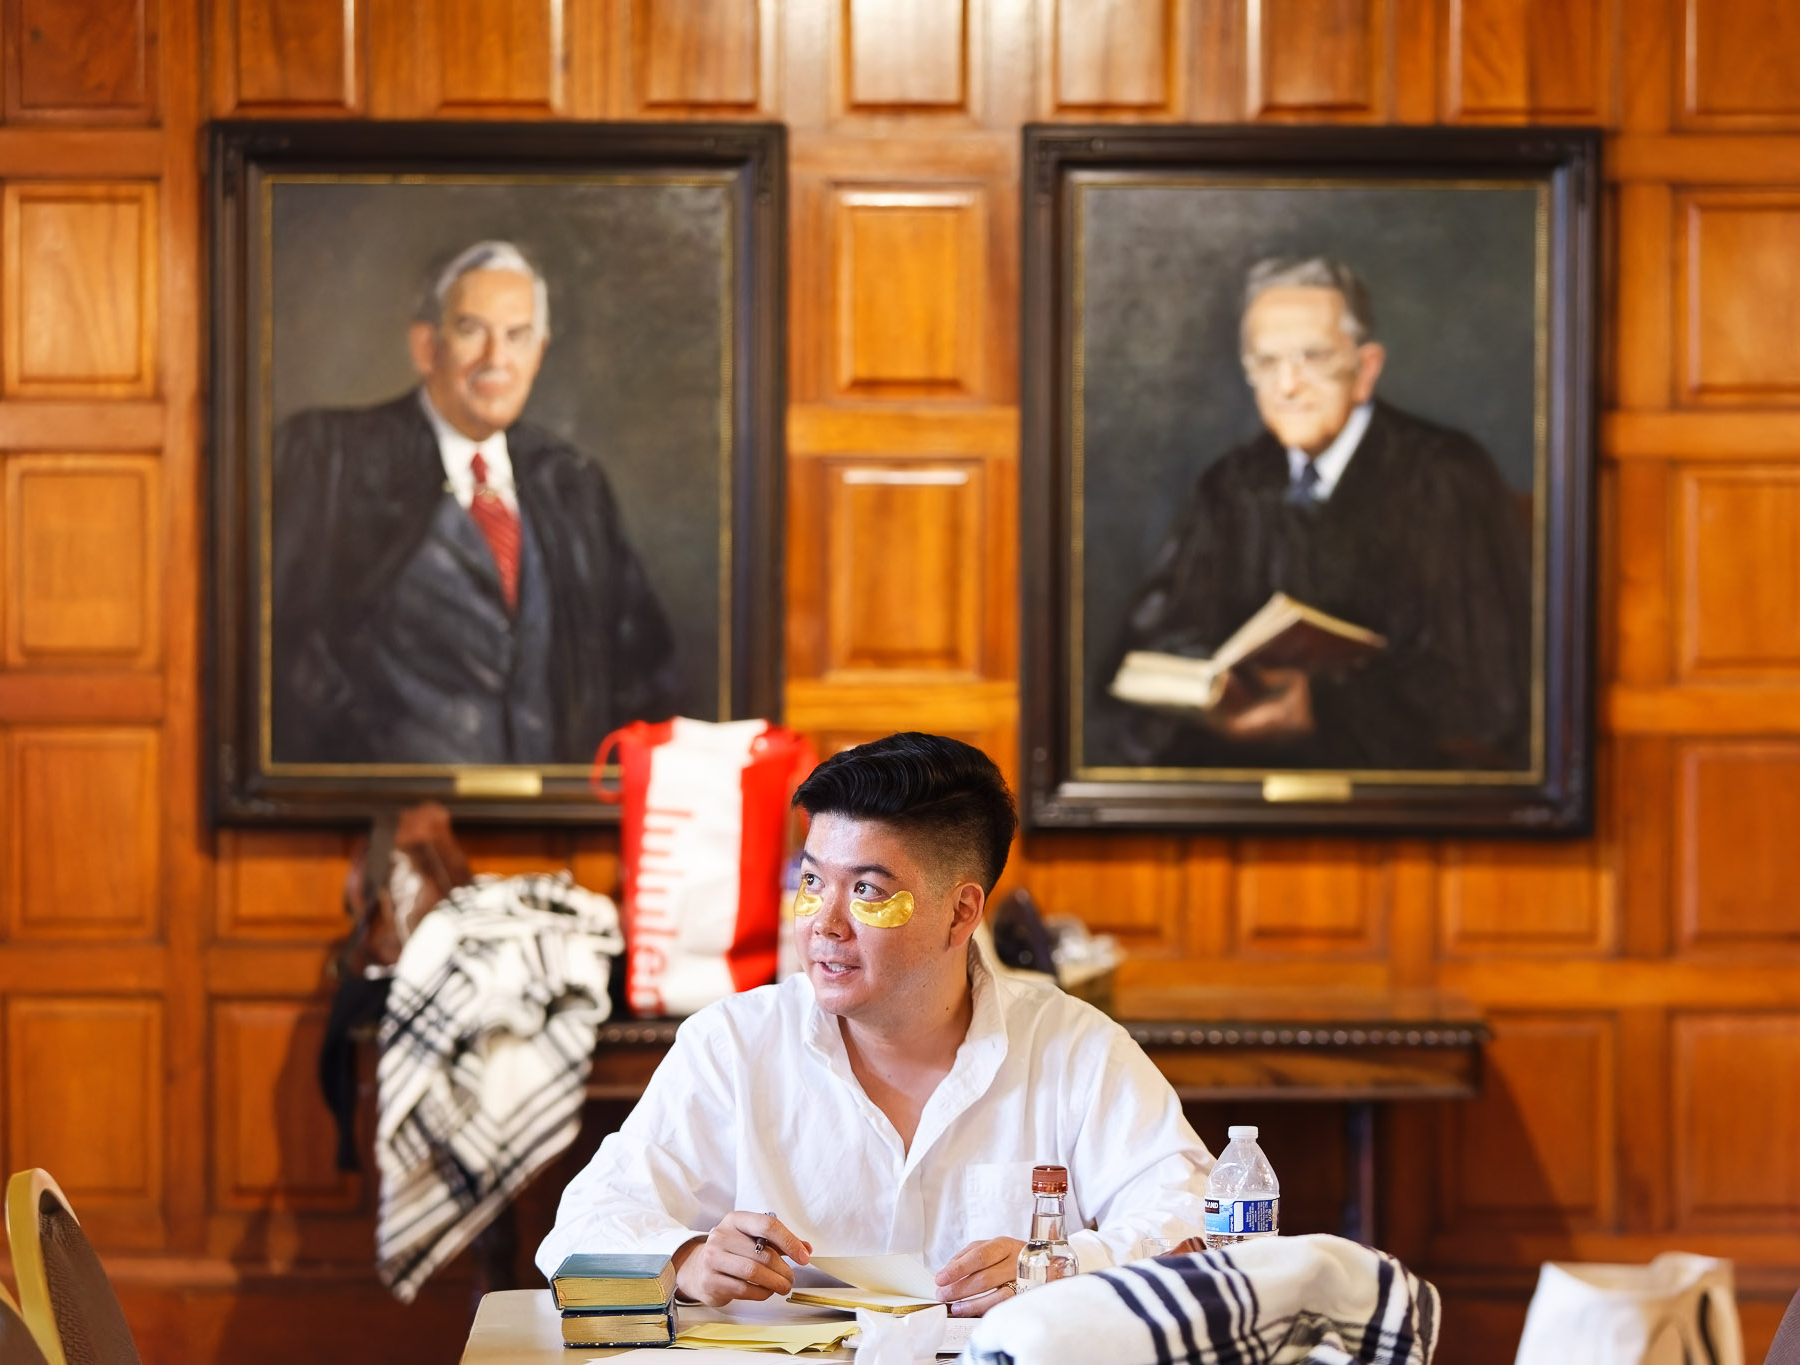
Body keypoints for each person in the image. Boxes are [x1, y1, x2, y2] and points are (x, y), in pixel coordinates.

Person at [534, 733, 1212, 1315]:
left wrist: (1064, 1263)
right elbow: (581, 1227)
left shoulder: (1077, 1049)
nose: (823, 924)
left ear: (961, 912)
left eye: (866, 890)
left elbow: (1204, 1222)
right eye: (811, 882)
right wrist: (685, 1259)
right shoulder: (732, 1045)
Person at [1095, 255, 1533, 773]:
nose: (1287, 386)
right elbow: (1156, 641)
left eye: (1313, 357)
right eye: (1266, 362)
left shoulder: (1444, 476)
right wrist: (1213, 691)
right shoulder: (1232, 485)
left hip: (1399, 793)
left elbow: (1488, 690)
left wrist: (1323, 707)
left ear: (1365, 369)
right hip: (1243, 783)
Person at [271, 240, 681, 766]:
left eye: (517, 336)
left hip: (549, 812)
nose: (496, 360)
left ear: (540, 352)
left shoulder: (572, 484)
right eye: (471, 330)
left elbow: (642, 672)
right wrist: (368, 786)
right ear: (426, 347)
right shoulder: (332, 458)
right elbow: (278, 655)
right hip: (385, 808)